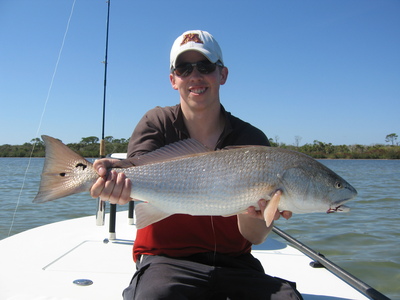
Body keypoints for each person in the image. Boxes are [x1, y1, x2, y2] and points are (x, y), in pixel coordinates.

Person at [91, 30, 303, 300]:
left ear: (222, 74)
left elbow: (256, 237)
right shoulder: (157, 122)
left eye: (205, 65)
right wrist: (113, 182)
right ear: (173, 79)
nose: (194, 75)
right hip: (165, 260)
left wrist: (257, 208)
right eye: (183, 68)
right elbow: (136, 170)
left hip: (234, 261)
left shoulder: (252, 140)